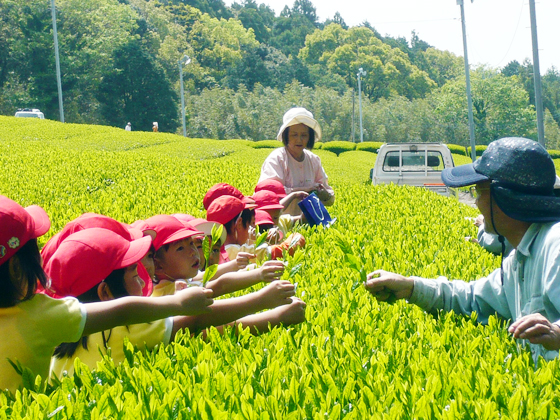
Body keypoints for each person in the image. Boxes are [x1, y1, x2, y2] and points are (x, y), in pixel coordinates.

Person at [364, 138, 560, 364]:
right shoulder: (520, 257)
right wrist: (410, 287)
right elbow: (473, 300)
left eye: (479, 191)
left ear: (504, 197)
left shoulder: (554, 244)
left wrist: (556, 333)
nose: (476, 202)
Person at [0, 196, 213, 393]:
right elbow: (124, 312)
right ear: (17, 269)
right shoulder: (39, 314)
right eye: (35, 247)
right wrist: (178, 303)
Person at [258, 107, 335, 215]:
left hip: (308, 224)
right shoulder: (277, 159)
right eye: (294, 135)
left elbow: (330, 198)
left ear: (310, 137)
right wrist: (303, 189)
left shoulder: (314, 160)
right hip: (281, 224)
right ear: (286, 135)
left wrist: (324, 194)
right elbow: (268, 194)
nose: (299, 140)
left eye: (304, 135)